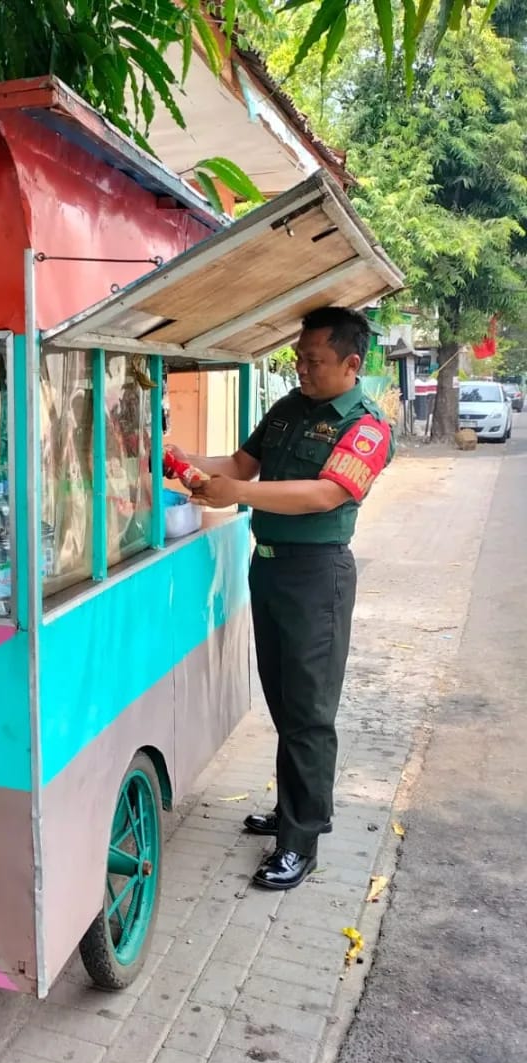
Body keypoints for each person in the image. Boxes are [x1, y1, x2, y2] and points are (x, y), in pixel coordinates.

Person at [168, 307, 394, 890]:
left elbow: (326, 493)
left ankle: (301, 840)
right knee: (284, 702)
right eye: (298, 357)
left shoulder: (366, 427)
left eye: (313, 361)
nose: (302, 368)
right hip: (267, 570)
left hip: (316, 578)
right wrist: (180, 461)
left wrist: (240, 493)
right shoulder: (290, 408)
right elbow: (239, 464)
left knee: (310, 715)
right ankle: (292, 810)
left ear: (352, 363)